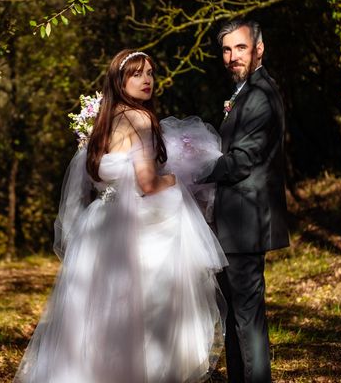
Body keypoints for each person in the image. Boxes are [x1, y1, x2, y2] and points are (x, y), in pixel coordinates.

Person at [14, 49, 228, 383]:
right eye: (137, 73)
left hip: (99, 225)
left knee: (96, 323)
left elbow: (98, 176)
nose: (147, 80)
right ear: (119, 79)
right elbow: (147, 183)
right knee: (145, 321)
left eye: (151, 73)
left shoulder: (105, 120)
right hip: (135, 229)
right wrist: (176, 179)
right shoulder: (141, 120)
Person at [210, 19, 290, 383]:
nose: (232, 56)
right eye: (226, 49)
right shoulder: (244, 91)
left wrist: (194, 169)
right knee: (236, 317)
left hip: (245, 223)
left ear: (258, 49)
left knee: (247, 320)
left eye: (240, 48)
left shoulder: (260, 94)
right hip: (235, 223)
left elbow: (242, 160)